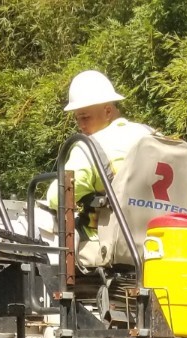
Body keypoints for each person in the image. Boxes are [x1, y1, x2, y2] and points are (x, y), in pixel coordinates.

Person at [45, 71, 154, 233]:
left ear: (108, 111)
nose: (80, 125)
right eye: (77, 119)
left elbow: (56, 197)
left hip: (107, 247)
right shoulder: (152, 135)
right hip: (160, 242)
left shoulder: (90, 147)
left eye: (85, 117)